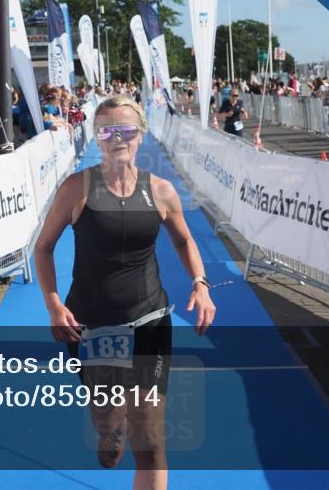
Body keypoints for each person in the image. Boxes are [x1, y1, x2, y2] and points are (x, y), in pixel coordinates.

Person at [34, 95, 216, 484]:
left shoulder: (161, 191)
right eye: (107, 130)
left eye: (126, 129)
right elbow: (43, 247)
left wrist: (200, 284)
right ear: (97, 137)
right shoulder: (76, 190)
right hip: (89, 326)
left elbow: (184, 241)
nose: (117, 137)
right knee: (106, 414)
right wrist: (52, 303)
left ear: (141, 135)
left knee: (149, 440)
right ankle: (111, 428)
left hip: (149, 321)